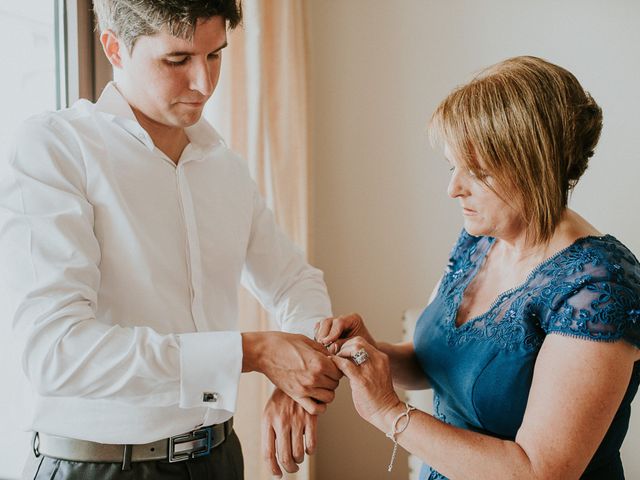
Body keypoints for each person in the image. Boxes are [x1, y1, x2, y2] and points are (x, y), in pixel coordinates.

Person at [0, 1, 341, 479]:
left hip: (219, 459)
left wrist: (296, 377)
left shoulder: (225, 167)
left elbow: (293, 282)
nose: (203, 83)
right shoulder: (56, 150)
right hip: (102, 467)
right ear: (114, 46)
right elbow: (57, 352)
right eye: (177, 60)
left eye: (215, 55)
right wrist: (252, 352)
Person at [316, 56, 640, 479]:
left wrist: (387, 412)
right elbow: (441, 362)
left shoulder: (597, 285)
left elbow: (539, 472)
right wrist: (373, 354)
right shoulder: (481, 240)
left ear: (535, 169)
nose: (453, 188)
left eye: (478, 171)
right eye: (454, 166)